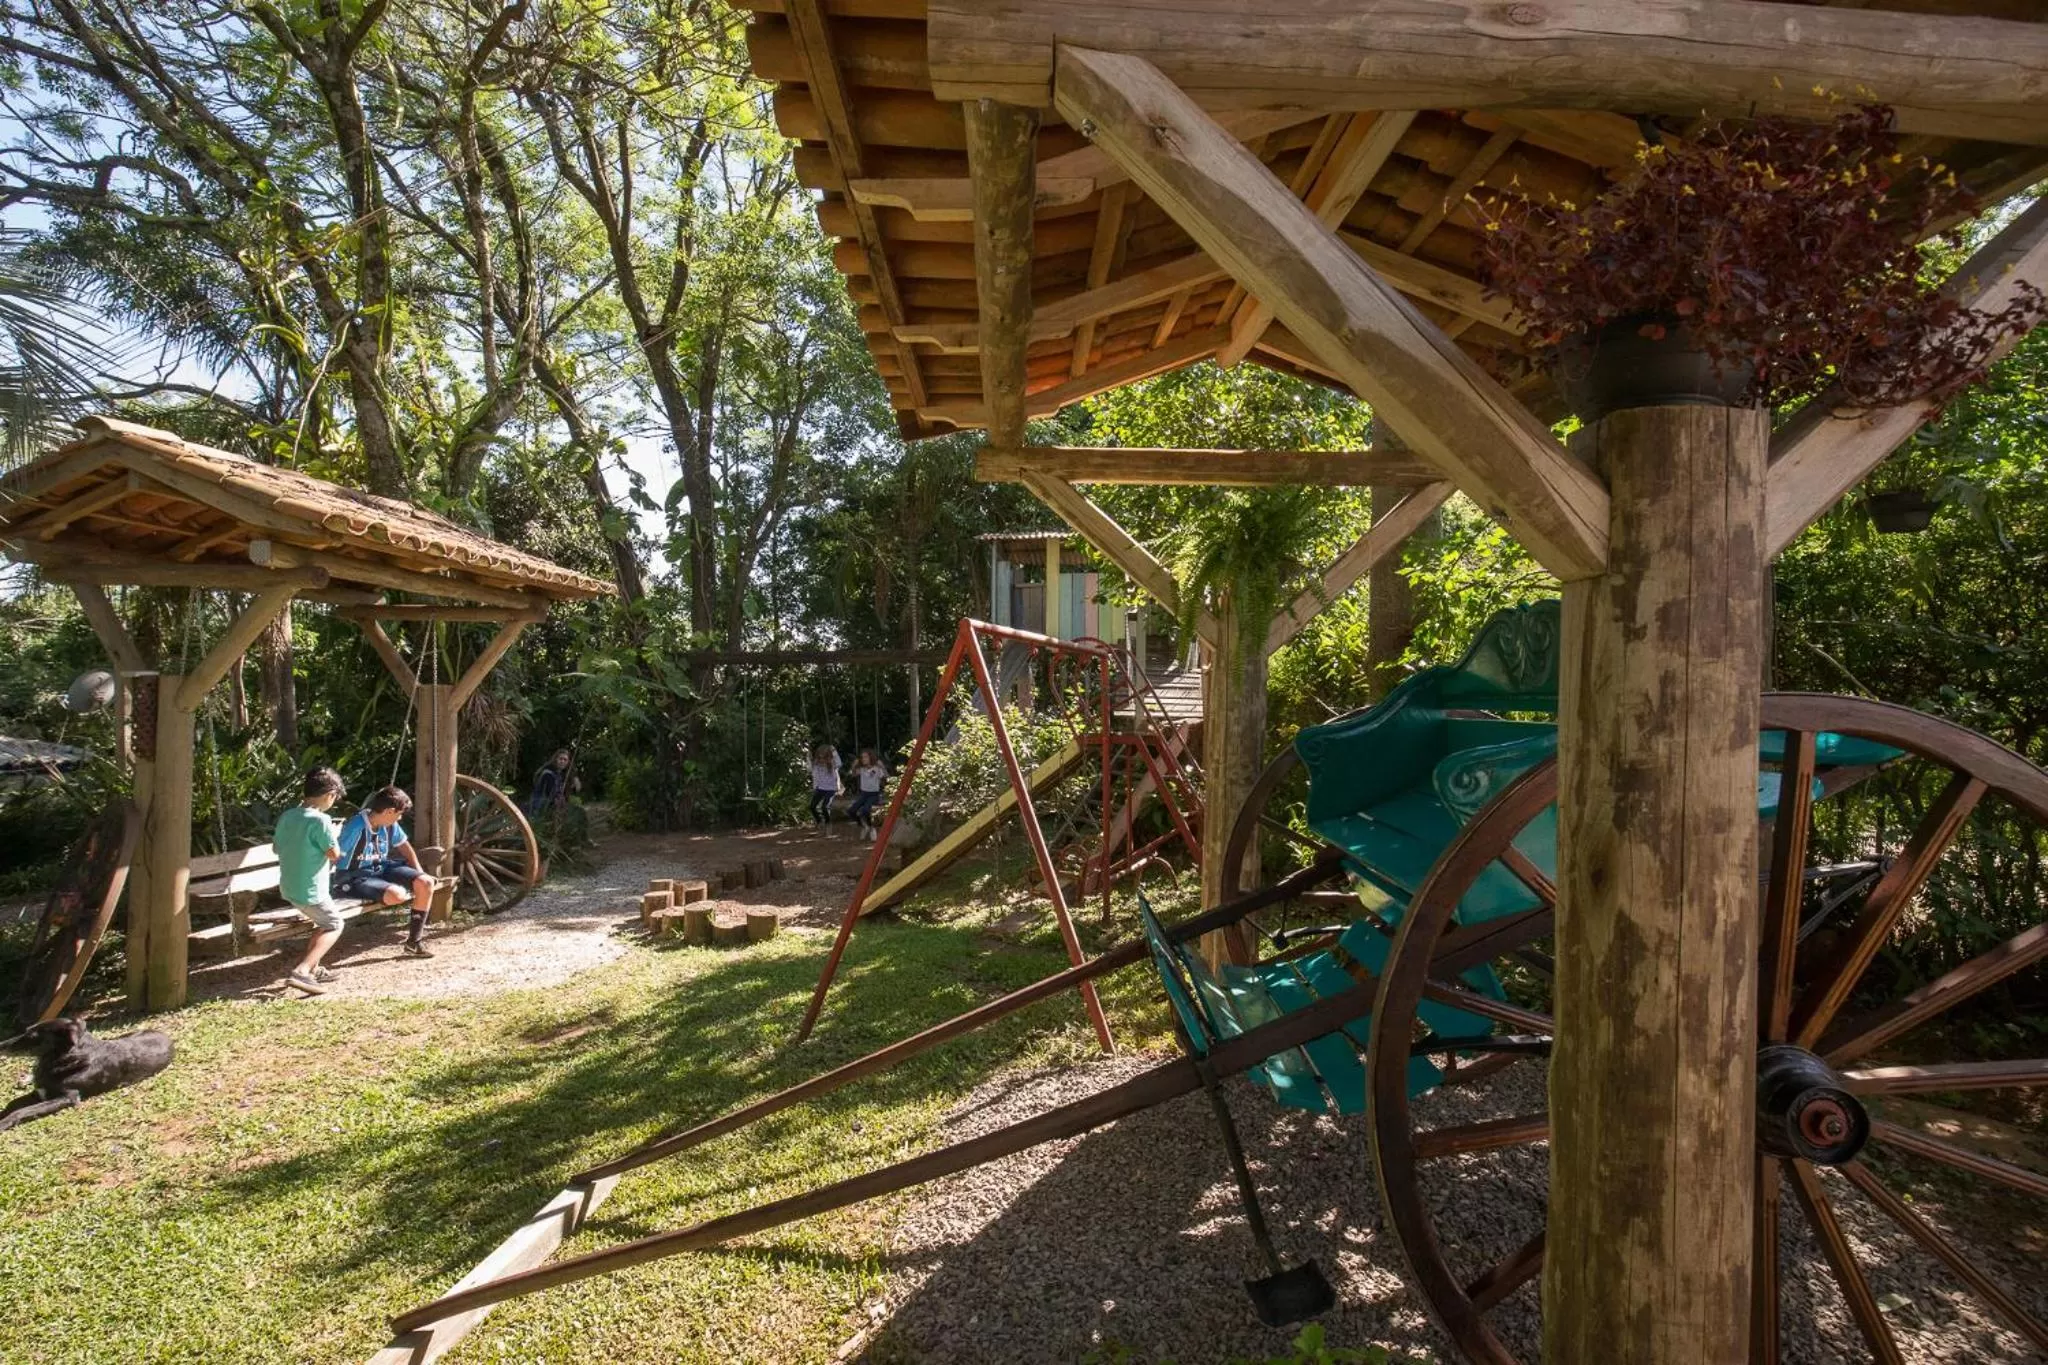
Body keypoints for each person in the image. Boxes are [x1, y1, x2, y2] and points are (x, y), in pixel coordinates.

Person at [335, 785, 437, 959]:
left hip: (382, 868)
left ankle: (414, 941)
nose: (400, 817)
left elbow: (405, 847)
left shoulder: (391, 825)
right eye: (399, 813)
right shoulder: (355, 827)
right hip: (355, 876)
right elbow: (335, 857)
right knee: (397, 895)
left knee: (425, 882)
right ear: (389, 811)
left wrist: (419, 872)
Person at [276, 767, 346, 994]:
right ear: (330, 795)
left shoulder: (287, 816)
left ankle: (314, 968)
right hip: (311, 890)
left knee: (323, 923)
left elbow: (276, 848)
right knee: (334, 924)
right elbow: (335, 855)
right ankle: (302, 971)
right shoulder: (322, 821)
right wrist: (334, 835)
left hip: (290, 887)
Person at [847, 748, 888, 840]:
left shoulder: (877, 769)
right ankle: (864, 826)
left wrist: (883, 767)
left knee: (865, 811)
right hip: (864, 794)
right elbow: (853, 775)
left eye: (865, 757)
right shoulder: (861, 769)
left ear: (871, 757)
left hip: (874, 794)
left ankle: (872, 828)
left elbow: (886, 777)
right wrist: (854, 766)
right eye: (862, 757)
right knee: (851, 811)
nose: (863, 759)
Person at [527, 748, 573, 817]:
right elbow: (552, 795)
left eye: (565, 760)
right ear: (555, 759)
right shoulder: (548, 774)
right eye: (561, 759)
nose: (562, 761)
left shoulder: (558, 773)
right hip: (539, 809)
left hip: (547, 807)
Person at [808, 742, 842, 832]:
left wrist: (834, 751)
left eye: (824, 757)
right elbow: (809, 769)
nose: (822, 760)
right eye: (819, 757)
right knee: (812, 806)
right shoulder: (816, 765)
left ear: (828, 757)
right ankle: (819, 822)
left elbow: (839, 763)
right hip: (820, 788)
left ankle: (828, 823)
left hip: (831, 789)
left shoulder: (833, 765)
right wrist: (808, 757)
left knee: (824, 807)